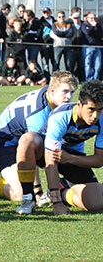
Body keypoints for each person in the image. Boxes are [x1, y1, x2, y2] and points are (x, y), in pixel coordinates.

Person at [0, 71, 78, 214]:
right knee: (18, 194)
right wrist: (36, 190)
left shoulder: (52, 99)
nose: (69, 97)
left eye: (72, 92)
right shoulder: (39, 110)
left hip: (21, 142)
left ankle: (63, 185)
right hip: (3, 143)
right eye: (65, 91)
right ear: (52, 90)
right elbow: (32, 150)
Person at [43, 80, 103, 215]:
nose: (95, 116)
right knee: (30, 141)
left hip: (70, 155)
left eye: (100, 110)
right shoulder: (61, 117)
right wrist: (56, 203)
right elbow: (50, 160)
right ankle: (30, 195)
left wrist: (69, 158)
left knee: (95, 203)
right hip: (44, 151)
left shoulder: (102, 119)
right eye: (91, 109)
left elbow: (99, 160)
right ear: (79, 104)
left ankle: (63, 189)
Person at [81, 12, 103, 81]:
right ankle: (89, 80)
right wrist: (93, 27)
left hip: (97, 46)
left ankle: (96, 79)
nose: (93, 19)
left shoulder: (98, 25)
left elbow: (100, 34)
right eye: (91, 18)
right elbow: (87, 33)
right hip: (88, 47)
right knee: (88, 64)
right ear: (87, 18)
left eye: (94, 18)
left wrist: (95, 27)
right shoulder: (84, 25)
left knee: (98, 64)